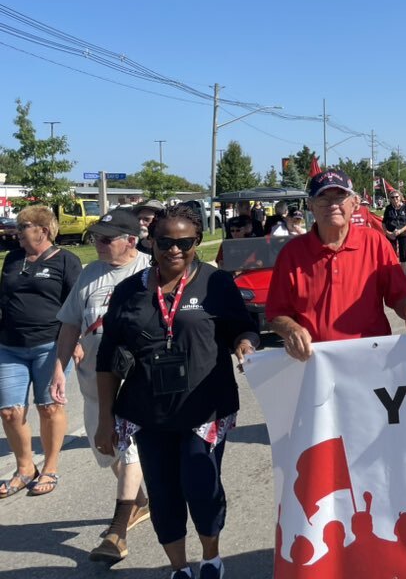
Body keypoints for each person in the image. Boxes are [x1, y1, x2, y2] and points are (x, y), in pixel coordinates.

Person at [94, 204, 258, 579]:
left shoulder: (215, 282)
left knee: (202, 488)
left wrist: (245, 345)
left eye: (185, 242)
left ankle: (211, 558)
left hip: (205, 409)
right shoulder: (128, 291)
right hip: (148, 412)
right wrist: (105, 420)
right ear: (152, 241)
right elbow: (107, 358)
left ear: (197, 241)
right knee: (164, 495)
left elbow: (242, 327)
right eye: (165, 241)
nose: (174, 250)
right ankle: (178, 566)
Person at [50, 208, 151, 562]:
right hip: (94, 382)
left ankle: (117, 533)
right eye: (96, 237)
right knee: (105, 448)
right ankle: (139, 500)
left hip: (137, 381)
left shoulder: (148, 271)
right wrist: (58, 369)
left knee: (128, 444)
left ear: (131, 241)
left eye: (106, 239)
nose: (98, 244)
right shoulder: (90, 273)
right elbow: (69, 325)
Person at [266, 169, 406, 360]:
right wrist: (291, 329)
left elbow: (401, 295)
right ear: (311, 206)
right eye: (323, 198)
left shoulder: (374, 242)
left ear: (355, 203)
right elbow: (276, 313)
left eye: (340, 197)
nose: (332, 205)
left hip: (372, 359)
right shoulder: (292, 253)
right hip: (317, 364)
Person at [0, 205, 82, 499]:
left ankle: (50, 467)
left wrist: (77, 342)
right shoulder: (12, 259)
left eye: (22, 228)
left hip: (51, 345)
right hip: (9, 345)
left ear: (42, 230)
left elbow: (76, 305)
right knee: (9, 411)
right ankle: (25, 469)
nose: (17, 233)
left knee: (49, 407)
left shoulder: (67, 261)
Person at [383, 190, 406, 261]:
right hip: (391, 233)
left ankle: (403, 271)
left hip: (403, 233)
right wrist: (387, 233)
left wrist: (400, 231)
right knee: (391, 254)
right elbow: (383, 223)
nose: (395, 199)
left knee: (403, 255)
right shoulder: (388, 208)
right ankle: (393, 270)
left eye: (396, 197)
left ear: (400, 197)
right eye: (392, 197)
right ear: (390, 199)